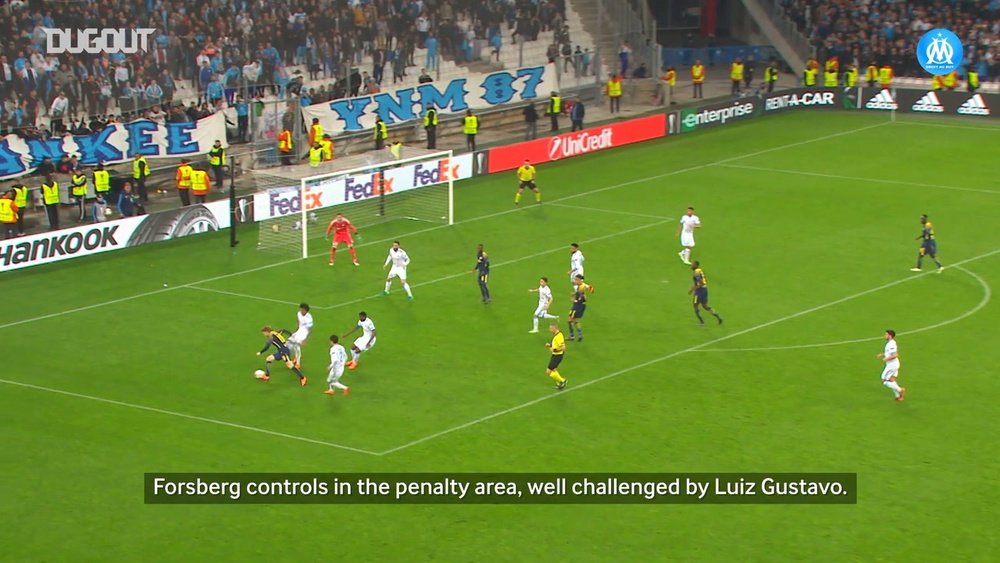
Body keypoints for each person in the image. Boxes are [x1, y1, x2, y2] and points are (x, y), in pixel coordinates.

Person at [689, 261, 723, 325]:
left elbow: (701, 283)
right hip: (704, 290)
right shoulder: (700, 271)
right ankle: (718, 317)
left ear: (696, 265)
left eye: (692, 264)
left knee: (695, 305)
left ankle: (702, 322)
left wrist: (693, 288)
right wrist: (693, 287)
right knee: (705, 306)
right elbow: (700, 282)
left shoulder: (696, 272)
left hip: (699, 291)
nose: (691, 265)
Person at [876, 330, 906, 401]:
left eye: (886, 334)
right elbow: (889, 352)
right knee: (892, 380)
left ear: (890, 336)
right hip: (893, 364)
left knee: (884, 380)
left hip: (892, 365)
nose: (884, 336)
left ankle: (900, 390)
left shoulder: (892, 344)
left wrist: (886, 359)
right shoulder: (889, 343)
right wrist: (882, 354)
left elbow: (895, 355)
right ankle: (898, 396)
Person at [286, 303, 313, 369]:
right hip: (299, 331)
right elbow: (298, 322)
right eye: (300, 309)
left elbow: (310, 330)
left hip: (304, 333)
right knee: (287, 343)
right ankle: (296, 357)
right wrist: (295, 331)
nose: (301, 311)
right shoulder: (299, 313)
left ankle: (298, 363)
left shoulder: (309, 318)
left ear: (306, 311)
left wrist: (305, 340)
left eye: (302, 310)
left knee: (296, 345)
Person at [567, 274, 594, 342]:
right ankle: (578, 335)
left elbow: (591, 290)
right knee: (573, 320)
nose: (575, 281)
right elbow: (579, 293)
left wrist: (576, 299)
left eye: (576, 280)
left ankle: (573, 335)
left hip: (579, 305)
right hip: (578, 304)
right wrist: (574, 294)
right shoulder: (580, 286)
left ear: (580, 280)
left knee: (570, 320)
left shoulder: (583, 286)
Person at [544, 323, 568, 390]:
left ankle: (562, 381)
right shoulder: (557, 335)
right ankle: (559, 384)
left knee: (548, 372)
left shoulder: (559, 336)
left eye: (551, 329)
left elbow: (563, 347)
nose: (550, 330)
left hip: (557, 356)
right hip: (555, 355)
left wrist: (554, 350)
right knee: (554, 370)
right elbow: (556, 344)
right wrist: (550, 345)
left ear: (555, 328)